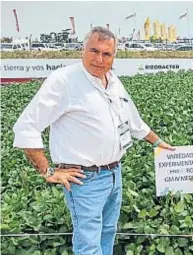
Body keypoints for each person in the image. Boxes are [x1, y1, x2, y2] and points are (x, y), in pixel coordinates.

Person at [12, 26, 175, 255]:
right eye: (94, 51)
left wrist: (158, 143)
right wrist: (48, 172)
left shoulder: (113, 80)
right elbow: (26, 126)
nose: (99, 59)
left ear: (114, 56)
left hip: (113, 175)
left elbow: (132, 120)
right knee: (89, 245)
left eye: (106, 54)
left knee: (107, 234)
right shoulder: (64, 81)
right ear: (83, 50)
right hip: (84, 179)